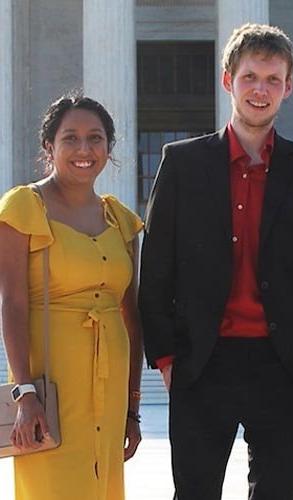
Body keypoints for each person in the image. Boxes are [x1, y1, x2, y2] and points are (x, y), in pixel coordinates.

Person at [139, 23, 293, 499]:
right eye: (251, 76)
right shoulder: (182, 163)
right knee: (194, 492)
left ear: (288, 88)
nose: (261, 90)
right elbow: (157, 265)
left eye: (273, 80)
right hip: (202, 361)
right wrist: (167, 356)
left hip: (285, 363)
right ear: (228, 80)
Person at [0, 93, 144, 499]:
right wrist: (24, 393)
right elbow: (12, 303)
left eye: (95, 138)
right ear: (50, 146)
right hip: (50, 389)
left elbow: (132, 317)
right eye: (71, 138)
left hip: (110, 386)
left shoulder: (121, 221)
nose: (84, 149)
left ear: (109, 148)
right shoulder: (24, 207)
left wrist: (132, 409)